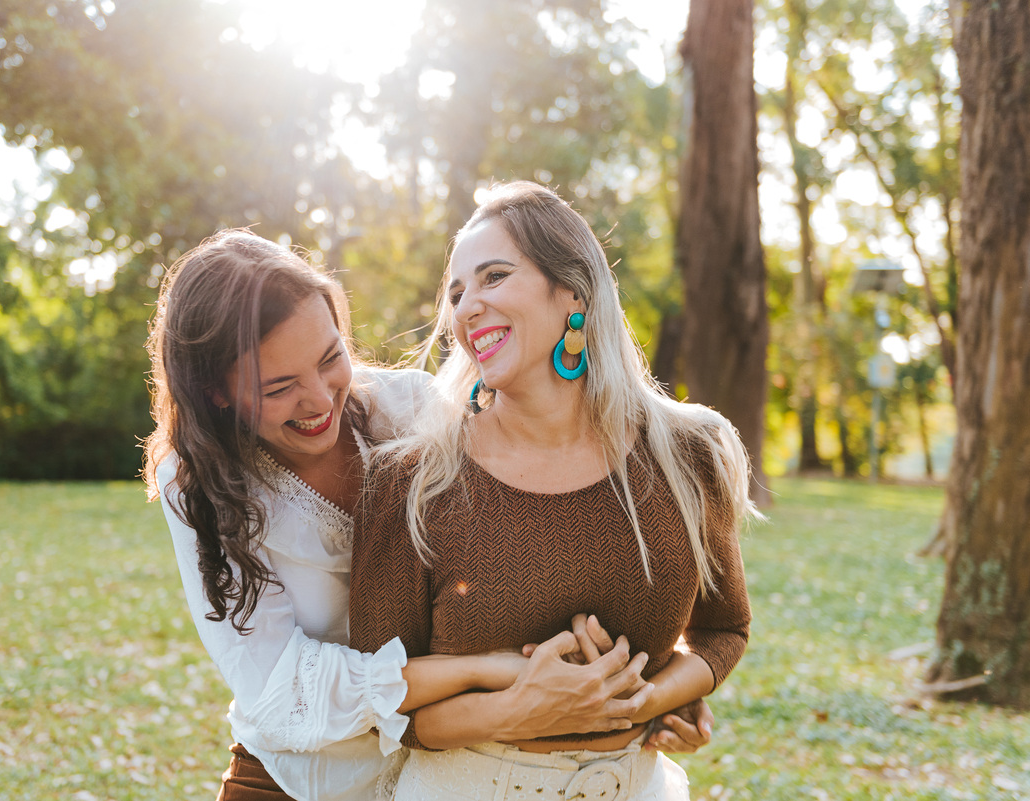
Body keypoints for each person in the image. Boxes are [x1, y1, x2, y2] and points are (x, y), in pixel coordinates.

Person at [143, 229, 717, 801]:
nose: (319, 400)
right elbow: (282, 689)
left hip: (451, 767)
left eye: (331, 358)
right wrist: (490, 671)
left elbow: (518, 564)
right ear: (216, 392)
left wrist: (652, 686)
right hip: (303, 776)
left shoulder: (413, 409)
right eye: (280, 387)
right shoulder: (199, 486)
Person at [350, 182, 755, 800]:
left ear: (573, 291)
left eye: (494, 277)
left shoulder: (688, 455)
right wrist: (518, 709)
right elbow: (382, 694)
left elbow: (724, 631)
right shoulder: (411, 481)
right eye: (456, 294)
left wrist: (642, 700)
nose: (467, 307)